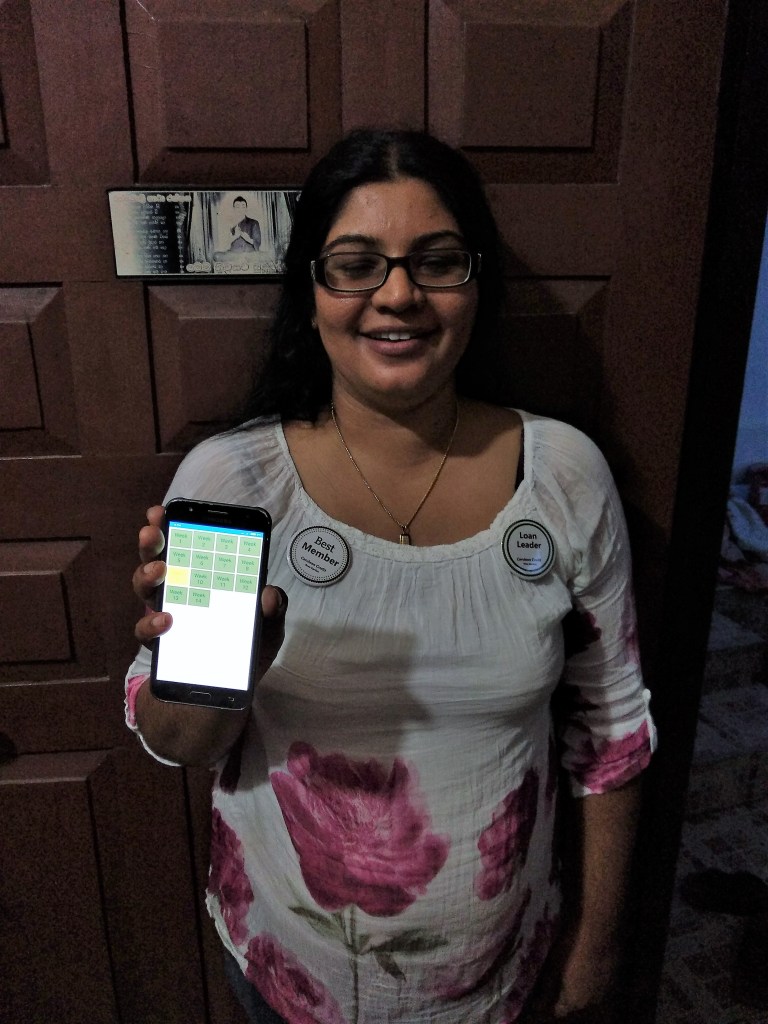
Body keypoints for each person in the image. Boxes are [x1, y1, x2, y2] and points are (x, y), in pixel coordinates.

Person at [125, 129, 655, 1024]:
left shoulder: (564, 475)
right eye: (356, 265)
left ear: (477, 286)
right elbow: (181, 744)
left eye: (436, 261)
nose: (399, 293)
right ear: (310, 292)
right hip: (286, 979)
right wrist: (227, 673)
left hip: (503, 980)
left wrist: (598, 944)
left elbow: (611, 727)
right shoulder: (230, 484)